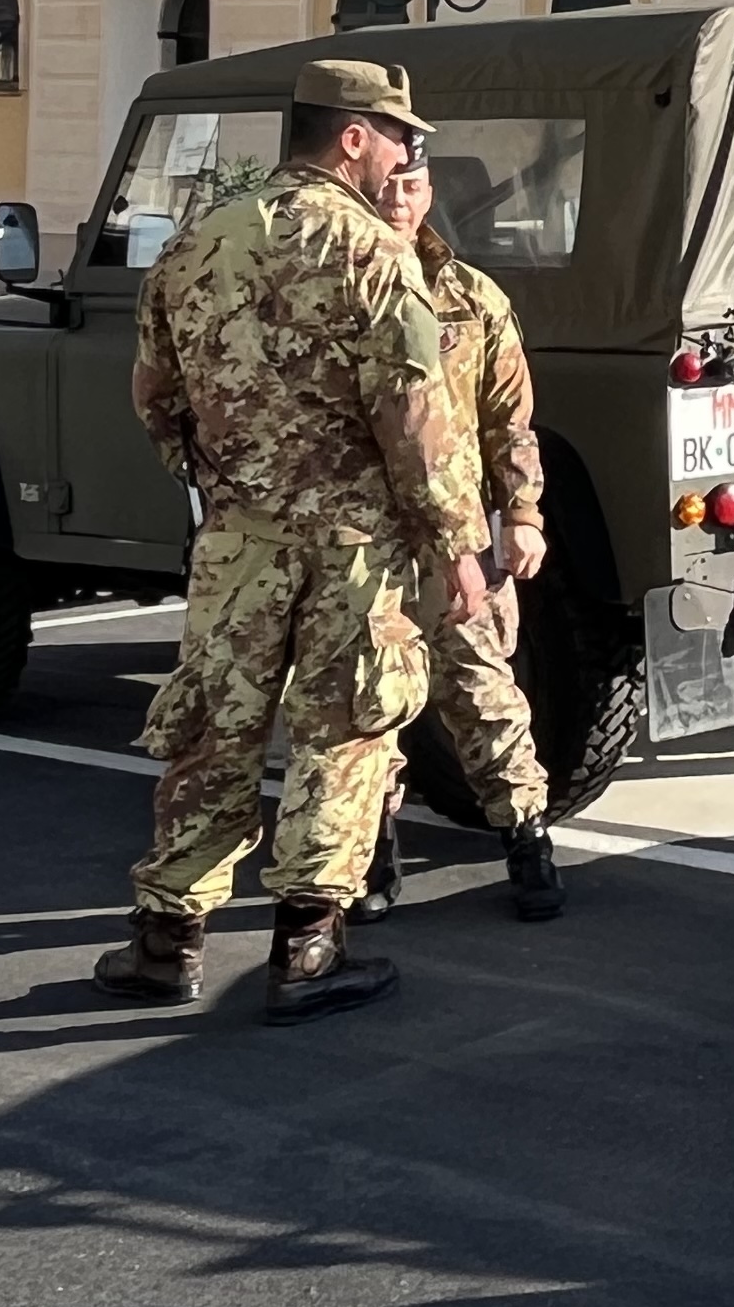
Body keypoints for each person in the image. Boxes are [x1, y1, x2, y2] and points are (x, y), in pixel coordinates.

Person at [92, 62, 489, 1023]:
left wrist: (225, 481)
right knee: (343, 737)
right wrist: (456, 545)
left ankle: (165, 942)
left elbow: (157, 394)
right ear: (352, 137)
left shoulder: (198, 240)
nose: (407, 156)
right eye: (400, 137)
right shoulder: (373, 255)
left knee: (211, 733)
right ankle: (310, 950)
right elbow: (415, 418)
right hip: (354, 546)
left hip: (238, 541)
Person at [352, 146, 566, 925]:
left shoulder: (472, 299)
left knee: (482, 693)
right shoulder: (340, 291)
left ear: (430, 191)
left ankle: (528, 844)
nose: (399, 200)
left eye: (411, 186)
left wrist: (525, 514)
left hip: (457, 541)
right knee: (369, 700)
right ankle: (373, 858)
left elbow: (509, 419)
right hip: (363, 539)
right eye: (386, 187)